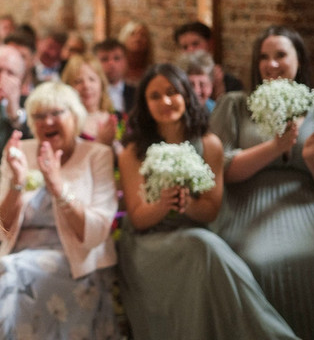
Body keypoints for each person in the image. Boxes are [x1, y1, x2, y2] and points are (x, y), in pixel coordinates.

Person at [115, 63, 298, 340]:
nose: (165, 101)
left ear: (186, 95)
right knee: (205, 247)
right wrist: (163, 203)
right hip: (147, 243)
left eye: (172, 92)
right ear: (144, 104)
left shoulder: (209, 144)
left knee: (206, 247)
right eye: (154, 96)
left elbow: (211, 211)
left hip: (195, 230)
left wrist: (185, 204)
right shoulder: (132, 151)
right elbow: (138, 218)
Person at [209, 25, 314, 340]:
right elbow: (222, 168)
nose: (272, 64)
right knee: (258, 261)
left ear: (298, 60)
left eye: (281, 55)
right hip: (249, 207)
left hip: (312, 208)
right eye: (264, 57)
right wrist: (275, 148)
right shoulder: (236, 105)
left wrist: (311, 159)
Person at [0, 81, 120, 340]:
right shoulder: (19, 152)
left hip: (76, 263)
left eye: (56, 113)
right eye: (39, 116)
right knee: (7, 269)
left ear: (75, 116)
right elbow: (0, 231)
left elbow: (97, 231)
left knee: (6, 271)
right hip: (19, 256)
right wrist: (17, 182)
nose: (47, 121)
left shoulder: (97, 155)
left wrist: (58, 187)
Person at [0, 44, 32, 179]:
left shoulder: (29, 105)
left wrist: (15, 115)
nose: (2, 78)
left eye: (10, 73)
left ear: (20, 79)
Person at [60, 54, 119, 150]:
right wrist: (100, 142)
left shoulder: (119, 118)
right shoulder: (65, 124)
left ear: (102, 83)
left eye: (92, 79)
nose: (86, 86)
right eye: (78, 81)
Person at [173, 21, 243, 99]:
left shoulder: (230, 83)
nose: (190, 50)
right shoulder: (174, 80)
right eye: (185, 47)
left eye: (195, 44)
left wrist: (219, 89)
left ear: (210, 44)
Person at [93, 38, 136, 117]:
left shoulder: (136, 94)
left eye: (117, 58)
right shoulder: (89, 94)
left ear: (125, 62)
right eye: (104, 59)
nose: (111, 63)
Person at [116, 20, 153, 88]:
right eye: (132, 34)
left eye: (142, 35)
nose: (138, 39)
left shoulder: (152, 71)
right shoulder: (115, 69)